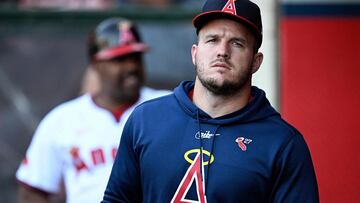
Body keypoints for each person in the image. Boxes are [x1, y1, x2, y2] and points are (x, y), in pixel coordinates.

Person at [101, 0, 319, 202]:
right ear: (195, 53)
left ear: (256, 61)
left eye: (237, 43)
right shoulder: (145, 120)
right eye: (212, 40)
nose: (222, 52)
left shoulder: (283, 144)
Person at [15, 17, 171, 203]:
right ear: (96, 64)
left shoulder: (169, 105)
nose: (131, 66)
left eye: (136, 57)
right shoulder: (62, 120)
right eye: (120, 59)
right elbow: (33, 190)